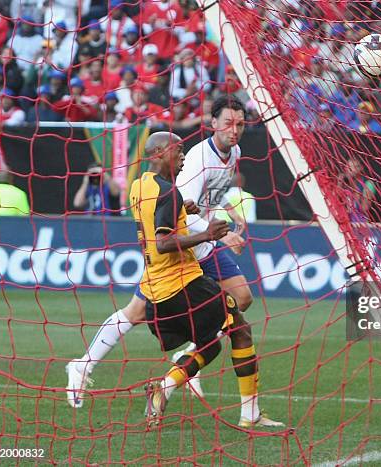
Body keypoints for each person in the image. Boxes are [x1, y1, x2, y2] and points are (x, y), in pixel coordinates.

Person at [66, 96, 284, 428]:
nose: (235, 130)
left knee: (241, 300)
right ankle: (86, 364)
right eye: (228, 122)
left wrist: (230, 211)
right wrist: (219, 235)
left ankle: (202, 375)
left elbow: (211, 195)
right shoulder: (195, 159)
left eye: (240, 123)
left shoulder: (234, 154)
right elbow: (177, 206)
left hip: (200, 244)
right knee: (141, 313)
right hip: (186, 249)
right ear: (213, 124)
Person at [128, 131, 230, 427]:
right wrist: (206, 234)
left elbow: (152, 217)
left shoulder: (139, 185)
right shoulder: (168, 192)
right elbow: (163, 242)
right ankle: (251, 415)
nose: (183, 155)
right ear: (159, 153)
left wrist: (181, 211)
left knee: (211, 345)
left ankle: (165, 388)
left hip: (155, 294)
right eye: (178, 150)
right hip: (182, 285)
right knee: (238, 323)